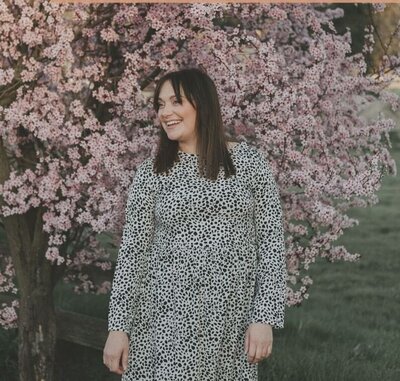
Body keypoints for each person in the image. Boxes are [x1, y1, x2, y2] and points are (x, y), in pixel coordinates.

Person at [103, 67, 287, 380]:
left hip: (229, 325)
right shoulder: (151, 173)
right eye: (160, 105)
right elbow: (133, 255)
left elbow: (271, 244)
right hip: (162, 327)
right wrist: (118, 329)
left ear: (202, 104)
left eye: (176, 102)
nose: (166, 112)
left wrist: (264, 317)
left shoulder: (249, 163)